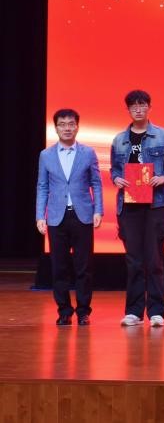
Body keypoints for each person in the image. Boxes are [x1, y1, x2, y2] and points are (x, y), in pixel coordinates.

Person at [109, 90, 164, 327]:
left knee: (154, 260)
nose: (138, 109)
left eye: (142, 105)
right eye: (133, 106)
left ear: (149, 108)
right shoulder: (119, 139)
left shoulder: (163, 136)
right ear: (128, 110)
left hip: (156, 205)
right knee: (133, 261)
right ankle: (133, 312)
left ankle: (156, 312)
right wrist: (116, 179)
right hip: (129, 205)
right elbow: (114, 168)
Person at [36, 109, 103, 325]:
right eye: (62, 124)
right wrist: (40, 215)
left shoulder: (88, 153)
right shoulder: (46, 155)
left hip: (82, 216)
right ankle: (64, 311)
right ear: (56, 128)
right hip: (57, 217)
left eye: (71, 124)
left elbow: (96, 183)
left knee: (84, 267)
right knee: (59, 267)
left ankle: (83, 311)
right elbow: (42, 186)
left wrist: (98, 210)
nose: (67, 128)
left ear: (77, 127)